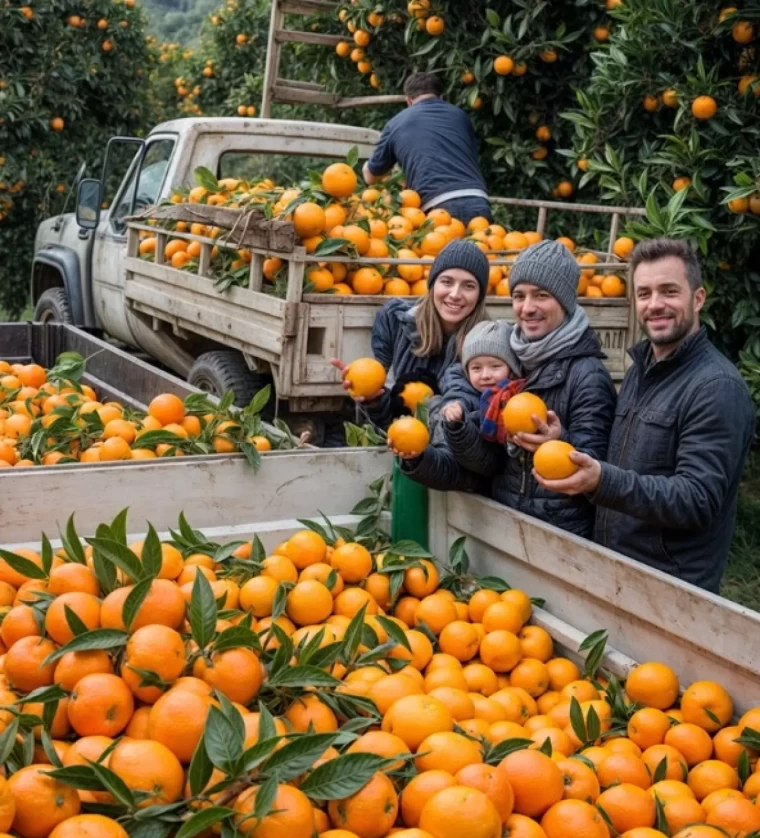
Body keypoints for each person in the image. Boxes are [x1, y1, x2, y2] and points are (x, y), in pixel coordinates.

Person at [534, 238, 755, 593]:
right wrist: (563, 446)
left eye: (669, 291)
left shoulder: (716, 387)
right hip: (618, 571)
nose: (655, 304)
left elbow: (698, 499)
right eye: (644, 293)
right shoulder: (642, 369)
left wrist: (602, 481)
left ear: (698, 299)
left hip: (669, 587)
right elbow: (625, 463)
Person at [449, 240, 617, 538]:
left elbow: (598, 469)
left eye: (541, 296)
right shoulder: (513, 358)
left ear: (564, 301)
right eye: (519, 296)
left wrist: (558, 441)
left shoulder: (587, 376)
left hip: (560, 533)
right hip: (507, 522)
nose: (527, 308)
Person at [332, 239, 491, 429]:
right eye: (447, 282)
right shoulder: (396, 321)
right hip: (401, 437)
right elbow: (384, 412)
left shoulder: (487, 342)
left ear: (480, 295)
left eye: (469, 286)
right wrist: (371, 397)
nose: (455, 294)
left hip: (451, 448)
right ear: (432, 284)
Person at [394, 320, 523, 491]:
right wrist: (417, 457)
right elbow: (451, 464)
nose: (485, 375)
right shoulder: (456, 404)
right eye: (476, 368)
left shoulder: (514, 401)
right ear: (466, 370)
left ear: (512, 368)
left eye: (495, 366)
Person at [362, 72, 492, 225]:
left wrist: (368, 167)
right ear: (442, 96)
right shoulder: (460, 116)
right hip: (477, 200)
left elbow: (371, 177)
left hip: (436, 206)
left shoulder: (396, 124)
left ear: (409, 101)